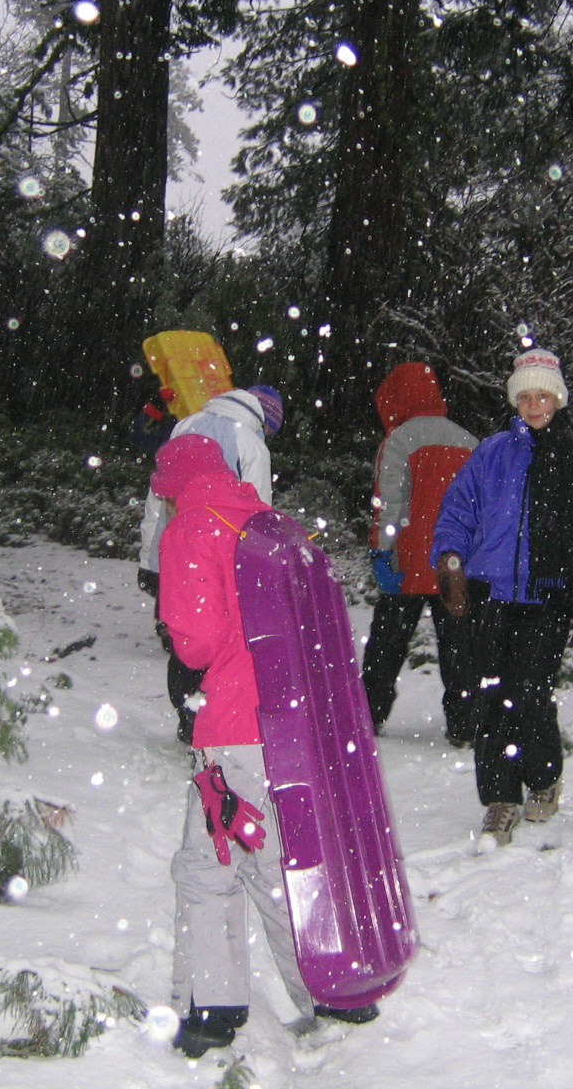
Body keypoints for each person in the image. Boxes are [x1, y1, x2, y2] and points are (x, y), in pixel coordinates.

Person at [152, 434, 377, 1057]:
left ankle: (214, 1009)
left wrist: (181, 633)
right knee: (278, 858)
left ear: (172, 489)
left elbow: (197, 642)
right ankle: (334, 989)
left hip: (238, 722)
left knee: (216, 863)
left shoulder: (192, 527)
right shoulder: (276, 525)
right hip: (302, 718)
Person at [431, 348, 573, 847]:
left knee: (531, 694)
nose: (534, 405)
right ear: (515, 401)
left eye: (543, 396)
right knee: (491, 696)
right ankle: (500, 799)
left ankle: (542, 776)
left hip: (547, 599)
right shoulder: (491, 454)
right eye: (525, 397)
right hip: (490, 595)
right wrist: (450, 560)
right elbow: (457, 512)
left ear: (557, 399)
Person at [138, 384, 284, 743]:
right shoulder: (252, 445)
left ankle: (189, 715)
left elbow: (156, 500)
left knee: (187, 636)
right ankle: (207, 720)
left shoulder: (186, 424)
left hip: (175, 550)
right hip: (221, 558)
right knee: (218, 640)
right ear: (264, 421)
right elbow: (258, 515)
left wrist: (149, 560)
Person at [360, 362, 478, 741]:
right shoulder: (469, 441)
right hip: (454, 564)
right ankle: (465, 724)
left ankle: (368, 715)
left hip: (406, 562)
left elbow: (389, 504)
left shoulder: (399, 440)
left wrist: (381, 553)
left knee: (387, 645)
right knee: (460, 647)